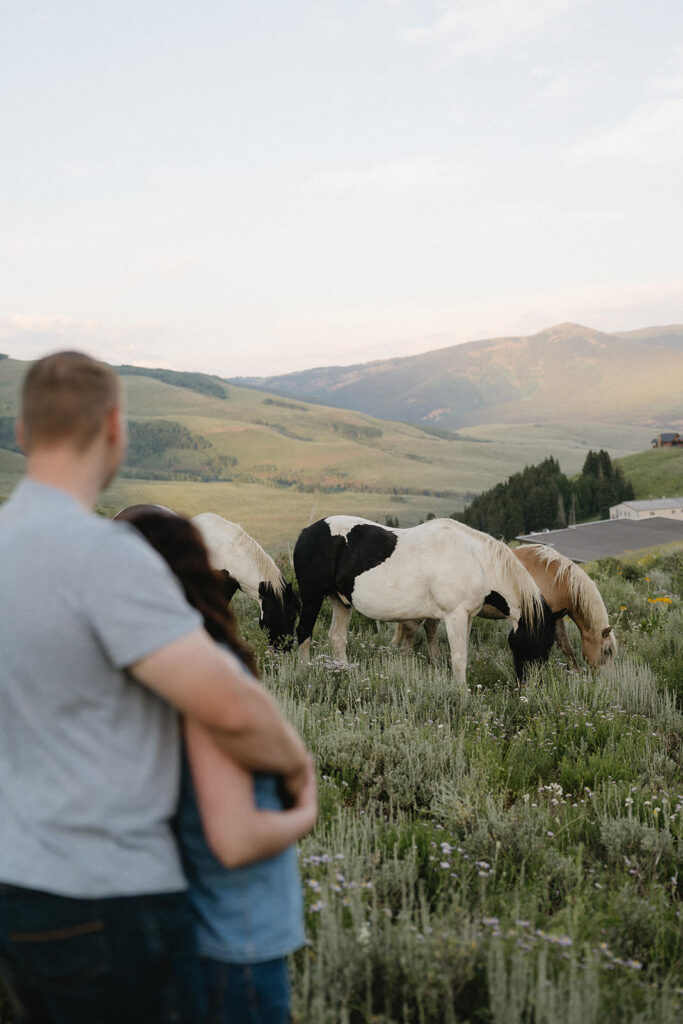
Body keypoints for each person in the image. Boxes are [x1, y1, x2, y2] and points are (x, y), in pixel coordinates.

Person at [0, 351, 309, 1024]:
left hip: (14, 888)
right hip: (109, 897)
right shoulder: (106, 558)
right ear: (115, 427)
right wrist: (296, 766)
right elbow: (226, 704)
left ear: (22, 432)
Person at [127, 510, 317, 1024]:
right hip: (240, 938)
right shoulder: (209, 676)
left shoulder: (137, 678)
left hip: (171, 928)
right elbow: (233, 840)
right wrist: (306, 807)